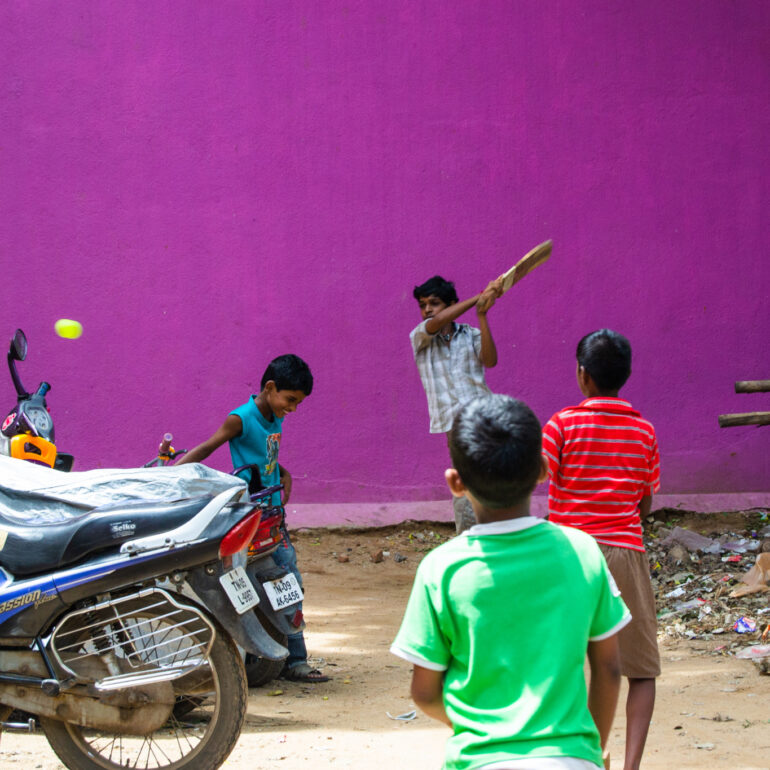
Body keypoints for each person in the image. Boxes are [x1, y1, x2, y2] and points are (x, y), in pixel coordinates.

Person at [392, 394, 629, 769]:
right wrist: (593, 750)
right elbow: (609, 669)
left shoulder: (441, 569)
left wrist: (482, 728)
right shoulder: (581, 552)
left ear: (455, 482)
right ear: (543, 469)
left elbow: (424, 693)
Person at [542, 329, 660, 770]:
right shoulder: (644, 430)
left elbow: (536, 473)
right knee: (640, 669)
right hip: (624, 553)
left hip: (568, 554)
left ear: (582, 375)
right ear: (625, 376)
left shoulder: (562, 425)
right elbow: (645, 502)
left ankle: (579, 754)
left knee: (563, 660)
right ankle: (629, 765)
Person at [177, 353, 328, 683]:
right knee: (243, 586)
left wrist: (284, 473)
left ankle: (295, 659)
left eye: (298, 403)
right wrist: (171, 476)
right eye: (290, 400)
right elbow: (207, 447)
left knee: (289, 583)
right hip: (249, 518)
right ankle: (248, 660)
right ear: (271, 387)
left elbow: (267, 459)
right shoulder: (241, 419)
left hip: (274, 517)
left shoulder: (276, 417)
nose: (292, 409)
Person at [410, 275, 503, 533]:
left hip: (484, 415)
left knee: (489, 476)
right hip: (456, 423)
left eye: (435, 303)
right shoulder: (420, 337)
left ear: (451, 304)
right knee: (466, 478)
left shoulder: (470, 334)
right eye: (422, 304)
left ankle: (493, 531)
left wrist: (482, 315)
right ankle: (469, 537)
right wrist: (480, 296)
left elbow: (490, 360)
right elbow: (438, 322)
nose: (427, 309)